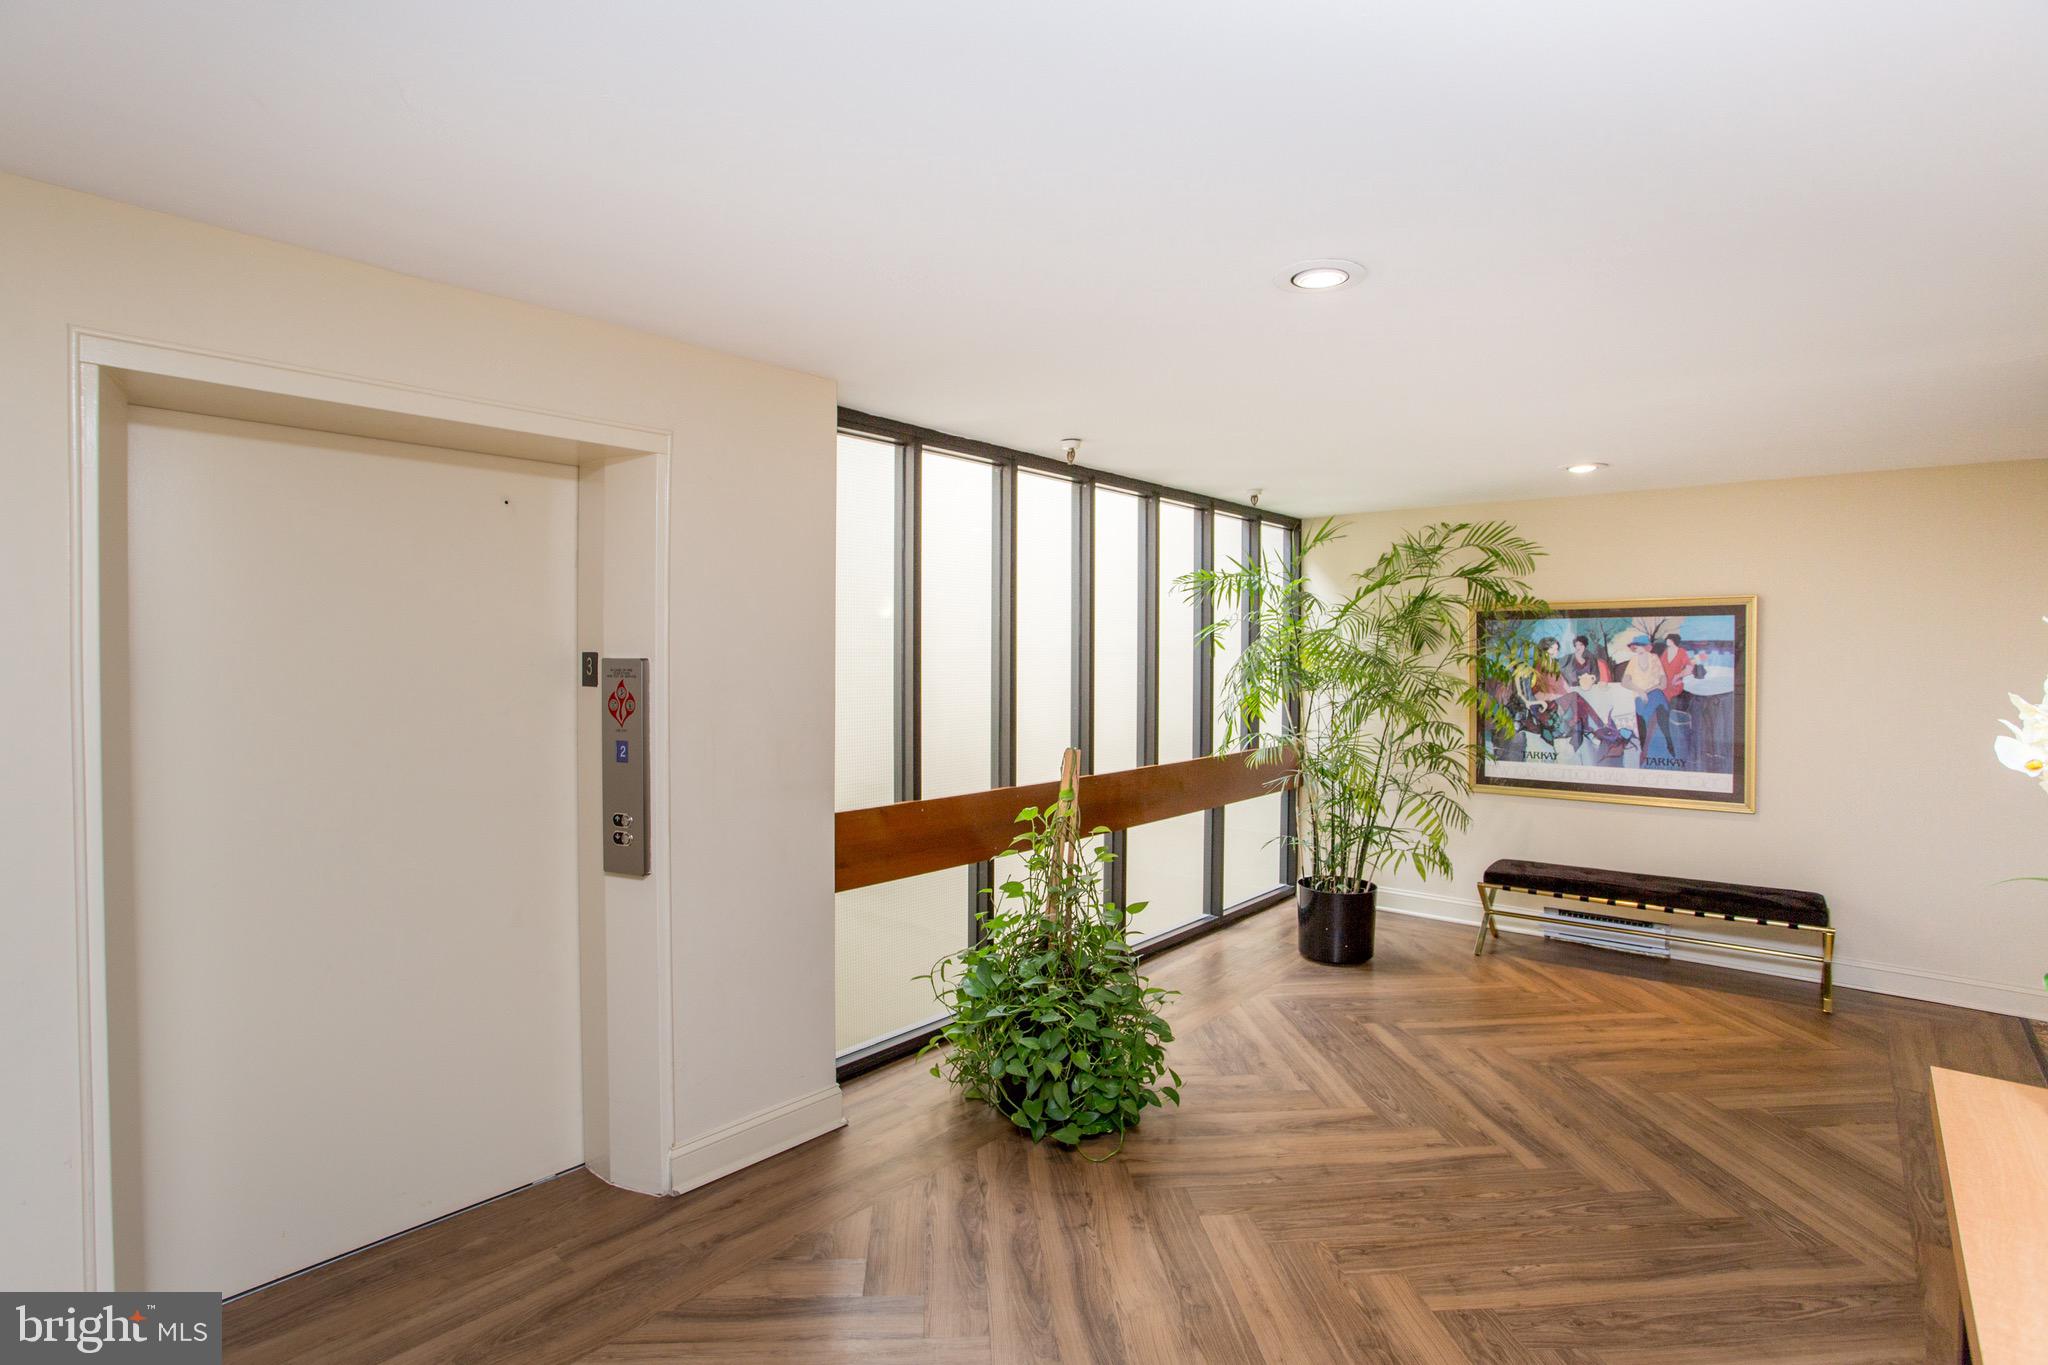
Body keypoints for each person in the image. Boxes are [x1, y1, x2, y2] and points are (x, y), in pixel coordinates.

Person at [1622, 635, 1673, 763]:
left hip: (1653, 693)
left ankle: (1669, 741)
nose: (1636, 648)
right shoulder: (1633, 661)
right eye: (1635, 646)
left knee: (1662, 707)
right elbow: (1625, 681)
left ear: (1647, 647)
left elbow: (1663, 683)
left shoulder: (1654, 658)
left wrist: (1648, 691)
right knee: (1640, 716)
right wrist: (1639, 691)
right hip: (1639, 695)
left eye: (1639, 645)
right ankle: (1642, 750)